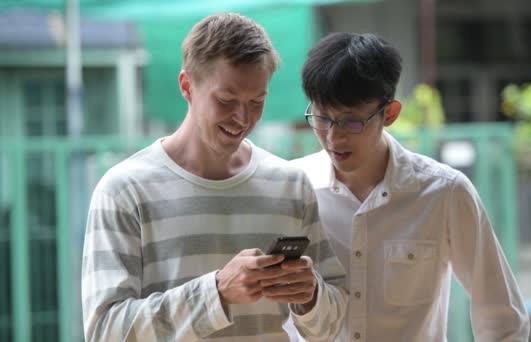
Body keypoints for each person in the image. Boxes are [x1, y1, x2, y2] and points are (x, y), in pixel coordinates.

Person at [81, 13, 347, 342]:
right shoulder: (124, 190)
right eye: (225, 100)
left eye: (257, 102)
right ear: (186, 86)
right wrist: (217, 292)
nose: (242, 117)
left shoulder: (290, 184)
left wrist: (310, 296)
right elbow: (105, 331)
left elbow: (331, 326)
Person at [289, 32, 530, 341]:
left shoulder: (444, 192)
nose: (334, 138)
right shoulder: (292, 188)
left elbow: (501, 314)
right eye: (323, 119)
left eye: (351, 122)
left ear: (389, 114)